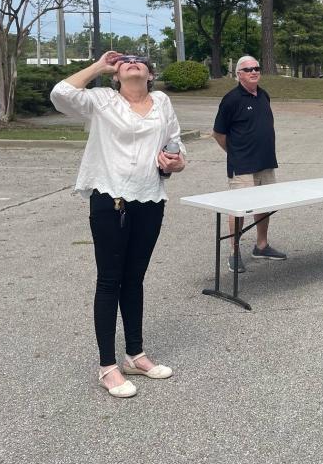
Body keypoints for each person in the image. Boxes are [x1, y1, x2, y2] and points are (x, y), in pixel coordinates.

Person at [50, 51, 186, 399]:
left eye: (140, 60)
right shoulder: (102, 100)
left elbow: (176, 141)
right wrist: (97, 66)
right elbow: (61, 95)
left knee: (135, 278)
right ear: (116, 75)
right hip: (111, 200)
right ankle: (107, 366)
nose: (132, 62)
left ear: (150, 75)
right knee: (110, 280)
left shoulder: (162, 102)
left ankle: (135, 355)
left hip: (150, 199)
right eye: (124, 61)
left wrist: (175, 161)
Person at [212, 55, 285, 274]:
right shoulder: (231, 99)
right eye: (248, 69)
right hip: (242, 165)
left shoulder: (264, 95)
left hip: (265, 162)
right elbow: (218, 134)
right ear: (239, 75)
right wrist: (234, 153)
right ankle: (234, 252)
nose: (254, 71)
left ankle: (261, 245)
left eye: (256, 68)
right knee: (239, 208)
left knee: (265, 205)